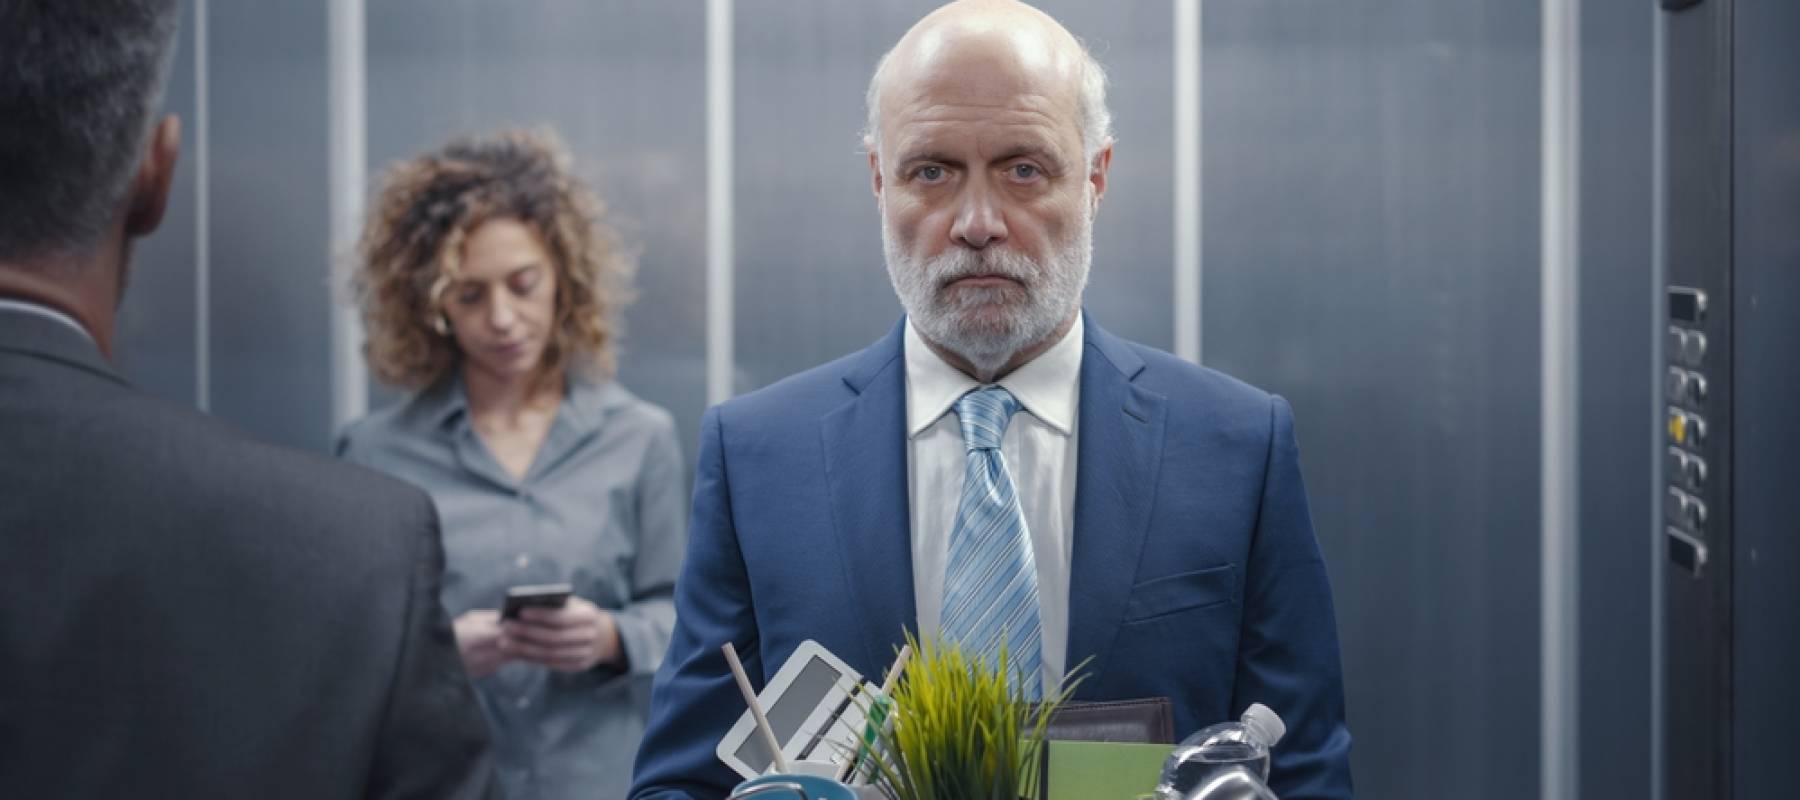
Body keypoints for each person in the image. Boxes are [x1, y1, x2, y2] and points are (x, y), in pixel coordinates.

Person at [630, 2, 1352, 798]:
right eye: (931, 172)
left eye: (1023, 169)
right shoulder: (759, 458)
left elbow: (1306, 772)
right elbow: (678, 783)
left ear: (1096, 177)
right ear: (879, 181)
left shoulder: (1236, 448)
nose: (976, 224)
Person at [0, 2, 499, 797]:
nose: (503, 317)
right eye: (472, 292)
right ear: (157, 173)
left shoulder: (363, 547)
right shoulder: (355, 548)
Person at [337, 129, 688, 800]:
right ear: (430, 303)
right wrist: (436, 654)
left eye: (523, 284)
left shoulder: (639, 438)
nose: (502, 318)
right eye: (469, 296)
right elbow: (352, 650)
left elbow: (686, 619)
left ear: (563, 274)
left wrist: (612, 637)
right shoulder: (375, 453)